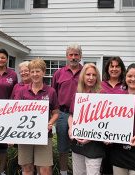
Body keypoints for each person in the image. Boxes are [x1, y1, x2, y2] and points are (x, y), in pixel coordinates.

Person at [15, 58, 59, 175]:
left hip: (44, 135)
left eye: (38, 71)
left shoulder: (51, 91)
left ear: (44, 72)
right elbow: (15, 112)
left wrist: (50, 123)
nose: (35, 74)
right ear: (29, 73)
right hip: (24, 135)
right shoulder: (22, 91)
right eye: (32, 71)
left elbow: (56, 112)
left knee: (45, 169)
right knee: (27, 167)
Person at [68, 63, 105, 175]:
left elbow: (105, 121)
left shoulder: (102, 95)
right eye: (88, 74)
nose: (91, 77)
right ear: (83, 76)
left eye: (94, 75)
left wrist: (90, 136)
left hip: (95, 145)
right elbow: (71, 115)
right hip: (78, 143)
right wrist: (71, 127)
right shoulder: (78, 95)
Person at [52, 44, 83, 175]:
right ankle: (63, 172)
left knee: (81, 145)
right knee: (63, 147)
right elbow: (53, 94)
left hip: (82, 114)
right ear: (67, 56)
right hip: (63, 114)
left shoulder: (86, 72)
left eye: (76, 54)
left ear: (80, 56)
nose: (73, 57)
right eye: (71, 54)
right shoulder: (59, 73)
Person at [100, 56, 126, 175]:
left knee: (118, 167)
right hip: (102, 133)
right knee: (104, 167)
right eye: (112, 66)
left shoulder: (126, 86)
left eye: (117, 66)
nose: (114, 69)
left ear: (121, 69)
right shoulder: (100, 85)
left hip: (120, 134)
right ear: (107, 69)